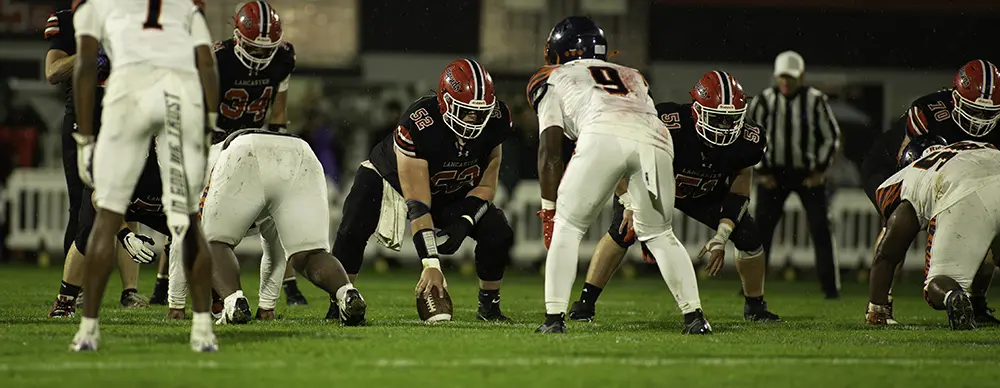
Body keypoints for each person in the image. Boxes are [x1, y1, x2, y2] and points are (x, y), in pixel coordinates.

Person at [530, 16, 709, 334]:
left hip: (602, 133)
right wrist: (630, 198)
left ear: (561, 50)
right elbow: (631, 135)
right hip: (656, 140)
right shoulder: (633, 74)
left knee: (567, 228)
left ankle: (554, 319)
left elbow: (550, 150)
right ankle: (695, 317)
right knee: (660, 233)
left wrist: (548, 207)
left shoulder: (553, 77)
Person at [566, 71, 781, 323]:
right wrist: (630, 202)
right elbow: (619, 162)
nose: (724, 127)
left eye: (730, 119)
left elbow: (739, 191)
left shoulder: (749, 139)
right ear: (697, 110)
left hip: (703, 192)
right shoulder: (667, 122)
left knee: (748, 234)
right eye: (717, 118)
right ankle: (585, 303)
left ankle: (755, 307)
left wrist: (722, 236)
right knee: (623, 230)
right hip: (650, 184)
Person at [69, 0, 219, 352]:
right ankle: (201, 330)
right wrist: (209, 125)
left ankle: (88, 330)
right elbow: (207, 66)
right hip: (177, 98)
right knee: (188, 220)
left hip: (129, 95)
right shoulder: (185, 7)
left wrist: (84, 136)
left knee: (106, 218)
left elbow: (85, 67)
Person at [156, 1, 308, 318]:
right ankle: (175, 303)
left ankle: (266, 306)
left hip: (245, 141)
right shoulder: (214, 60)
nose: (262, 56)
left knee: (277, 220)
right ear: (237, 36)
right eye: (255, 48)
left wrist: (278, 144)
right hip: (201, 139)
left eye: (268, 50)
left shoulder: (283, 58)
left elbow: (278, 111)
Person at [332, 58, 514, 322]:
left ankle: (490, 307)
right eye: (465, 110)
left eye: (480, 112)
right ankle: (340, 299)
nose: (473, 119)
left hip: (450, 189)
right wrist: (431, 264)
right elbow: (418, 205)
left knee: (498, 230)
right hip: (389, 179)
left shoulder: (497, 121)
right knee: (353, 226)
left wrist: (465, 221)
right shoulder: (419, 124)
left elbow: (486, 185)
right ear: (445, 102)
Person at [860, 59, 1000, 325]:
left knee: (982, 232)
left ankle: (977, 305)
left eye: (988, 114)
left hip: (957, 173)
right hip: (897, 165)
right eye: (973, 111)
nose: (980, 120)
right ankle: (879, 303)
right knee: (898, 228)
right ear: (956, 98)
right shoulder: (928, 111)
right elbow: (913, 162)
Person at [44, 4, 149, 315]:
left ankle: (130, 292)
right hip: (84, 122)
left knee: (131, 204)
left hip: (127, 117)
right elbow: (52, 71)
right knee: (81, 206)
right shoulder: (66, 20)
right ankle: (72, 293)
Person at [202, 129, 367, 326]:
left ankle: (233, 302)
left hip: (246, 151)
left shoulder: (200, 161)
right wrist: (266, 307)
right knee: (310, 254)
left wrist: (175, 304)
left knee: (212, 242)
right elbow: (275, 248)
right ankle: (346, 292)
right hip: (302, 152)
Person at [867, 136, 1000, 330]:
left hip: (965, 194)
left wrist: (877, 307)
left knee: (938, 285)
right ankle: (977, 305)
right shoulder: (976, 146)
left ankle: (953, 296)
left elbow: (886, 255)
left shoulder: (914, 172)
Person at [747, 50, 842, 299]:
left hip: (807, 174)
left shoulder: (815, 100)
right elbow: (750, 137)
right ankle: (752, 286)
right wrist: (761, 171)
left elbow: (831, 137)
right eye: (781, 77)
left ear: (800, 75)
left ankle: (830, 288)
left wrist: (819, 170)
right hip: (772, 176)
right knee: (761, 233)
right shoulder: (764, 101)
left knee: (821, 229)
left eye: (790, 77)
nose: (785, 82)